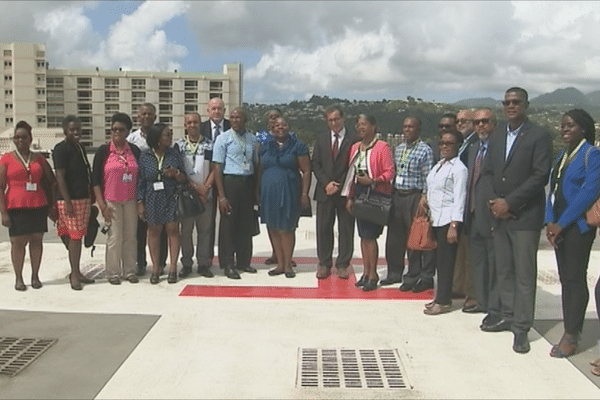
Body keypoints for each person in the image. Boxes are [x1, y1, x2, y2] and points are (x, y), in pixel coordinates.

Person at [481, 87, 552, 353]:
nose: (511, 106)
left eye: (516, 102)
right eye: (507, 102)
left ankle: (522, 329)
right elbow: (487, 172)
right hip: (500, 216)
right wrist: (493, 204)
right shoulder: (498, 134)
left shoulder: (539, 136)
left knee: (524, 274)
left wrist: (509, 203)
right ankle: (509, 316)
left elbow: (540, 175)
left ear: (526, 105)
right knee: (505, 271)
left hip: (524, 216)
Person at [544, 109, 600, 358]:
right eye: (562, 126)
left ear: (584, 129)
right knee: (565, 279)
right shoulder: (561, 156)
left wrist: (562, 224)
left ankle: (572, 334)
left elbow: (588, 193)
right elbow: (552, 191)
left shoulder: (592, 154)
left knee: (575, 279)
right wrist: (549, 221)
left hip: (577, 228)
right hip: (558, 227)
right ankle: (569, 326)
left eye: (570, 126)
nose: (564, 129)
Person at [0, 121, 56, 291]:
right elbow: (0, 187)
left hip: (38, 205)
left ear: (30, 138)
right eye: (16, 137)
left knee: (36, 241)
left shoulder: (39, 158)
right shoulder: (6, 159)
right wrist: (3, 213)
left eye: (24, 137)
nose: (20, 140)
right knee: (18, 243)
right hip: (16, 206)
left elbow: (52, 181)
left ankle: (35, 276)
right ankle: (18, 278)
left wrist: (52, 205)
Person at [343, 115, 394, 291]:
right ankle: (366, 271)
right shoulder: (356, 148)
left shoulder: (382, 147)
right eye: (358, 124)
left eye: (364, 124)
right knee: (363, 237)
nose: (360, 127)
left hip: (375, 193)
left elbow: (389, 172)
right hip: (359, 193)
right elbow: (351, 174)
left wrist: (373, 180)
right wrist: (349, 196)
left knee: (370, 236)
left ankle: (373, 274)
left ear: (373, 126)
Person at [419, 129, 467, 314]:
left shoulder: (459, 169)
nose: (445, 147)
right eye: (442, 143)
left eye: (449, 144)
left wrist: (454, 225)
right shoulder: (439, 165)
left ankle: (444, 301)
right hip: (436, 219)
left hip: (448, 220)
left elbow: (459, 198)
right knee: (439, 261)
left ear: (457, 146)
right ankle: (439, 296)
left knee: (446, 263)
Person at [384, 117, 435, 291]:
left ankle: (413, 276)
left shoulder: (425, 150)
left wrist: (425, 197)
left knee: (414, 237)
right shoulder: (399, 149)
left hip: (415, 196)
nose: (407, 130)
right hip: (398, 194)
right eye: (405, 126)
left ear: (418, 129)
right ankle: (394, 272)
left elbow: (428, 177)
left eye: (411, 127)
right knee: (395, 236)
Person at [92, 113, 141, 285]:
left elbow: (140, 177)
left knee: (130, 237)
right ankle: (113, 272)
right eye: (114, 129)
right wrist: (102, 205)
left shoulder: (134, 151)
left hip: (131, 201)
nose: (117, 132)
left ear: (128, 131)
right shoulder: (104, 151)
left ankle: (129, 270)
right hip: (111, 201)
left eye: (121, 129)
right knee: (114, 237)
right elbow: (96, 181)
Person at [259, 117, 311, 278]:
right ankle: (280, 264)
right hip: (268, 192)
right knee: (273, 226)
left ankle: (288, 264)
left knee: (286, 227)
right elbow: (260, 169)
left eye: (283, 125)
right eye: (276, 125)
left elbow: (307, 171)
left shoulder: (298, 146)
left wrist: (304, 194)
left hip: (289, 191)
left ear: (289, 127)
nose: (280, 127)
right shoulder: (265, 146)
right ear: (271, 128)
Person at [311, 106, 358, 280]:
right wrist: (326, 183)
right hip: (325, 191)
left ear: (343, 119)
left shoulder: (354, 139)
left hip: (345, 191)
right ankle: (324, 263)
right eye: (330, 120)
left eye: (336, 119)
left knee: (346, 229)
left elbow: (354, 165)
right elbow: (315, 163)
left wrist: (339, 184)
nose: (334, 123)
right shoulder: (322, 139)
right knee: (323, 228)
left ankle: (343, 264)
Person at [212, 108, 259, 279]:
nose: (234, 120)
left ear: (245, 119)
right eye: (231, 117)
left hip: (247, 183)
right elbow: (217, 167)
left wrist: (256, 191)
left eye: (238, 117)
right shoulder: (223, 139)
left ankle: (244, 261)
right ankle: (228, 263)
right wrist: (222, 195)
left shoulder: (253, 139)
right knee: (228, 225)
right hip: (230, 182)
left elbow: (256, 165)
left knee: (246, 224)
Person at [137, 123, 186, 284]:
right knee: (154, 231)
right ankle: (156, 268)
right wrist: (140, 202)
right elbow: (141, 181)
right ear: (157, 138)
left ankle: (172, 267)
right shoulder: (145, 155)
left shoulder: (174, 153)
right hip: (152, 196)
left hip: (170, 194)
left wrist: (176, 173)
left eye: (171, 134)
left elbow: (183, 177)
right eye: (167, 135)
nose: (170, 137)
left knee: (173, 230)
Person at [464, 109, 500, 324]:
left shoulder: (500, 148)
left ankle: (495, 305)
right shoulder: (474, 148)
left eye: (485, 122)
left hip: (492, 214)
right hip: (473, 213)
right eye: (476, 122)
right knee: (478, 262)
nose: (480, 126)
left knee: (495, 263)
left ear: (494, 124)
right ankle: (482, 301)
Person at [53, 115, 95, 291]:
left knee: (78, 237)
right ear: (65, 131)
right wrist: (67, 200)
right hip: (69, 200)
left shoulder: (80, 148)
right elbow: (60, 176)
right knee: (75, 238)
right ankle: (74, 274)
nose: (76, 132)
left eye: (78, 129)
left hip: (82, 198)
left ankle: (77, 271)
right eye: (72, 130)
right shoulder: (60, 149)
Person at [127, 103, 168, 276]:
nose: (146, 117)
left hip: (161, 189)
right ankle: (141, 262)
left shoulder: (161, 136)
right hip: (140, 187)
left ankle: (160, 262)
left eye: (150, 114)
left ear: (155, 116)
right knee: (141, 229)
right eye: (143, 114)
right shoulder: (132, 139)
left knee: (162, 228)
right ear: (138, 117)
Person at [175, 113, 215, 278]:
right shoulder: (178, 145)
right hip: (187, 196)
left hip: (207, 195)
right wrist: (195, 188)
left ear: (200, 124)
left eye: (195, 122)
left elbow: (215, 168)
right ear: (185, 125)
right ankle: (186, 263)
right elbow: (180, 171)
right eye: (189, 122)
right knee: (186, 231)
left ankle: (203, 263)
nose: (192, 125)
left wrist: (205, 188)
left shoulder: (209, 144)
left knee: (204, 231)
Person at [453, 109, 479, 312]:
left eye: (464, 120)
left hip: (471, 205)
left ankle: (473, 293)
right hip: (459, 205)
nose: (460, 123)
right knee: (460, 249)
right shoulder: (463, 144)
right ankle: (459, 286)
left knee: (471, 252)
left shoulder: (475, 144)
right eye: (458, 120)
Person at [200, 97, 230, 268]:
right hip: (207, 181)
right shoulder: (200, 128)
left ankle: (226, 257)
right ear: (208, 111)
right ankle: (207, 258)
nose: (217, 111)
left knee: (227, 221)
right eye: (213, 108)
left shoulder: (231, 126)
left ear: (224, 111)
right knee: (208, 222)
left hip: (227, 180)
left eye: (220, 108)